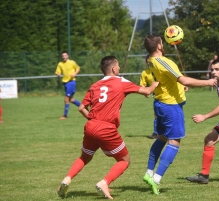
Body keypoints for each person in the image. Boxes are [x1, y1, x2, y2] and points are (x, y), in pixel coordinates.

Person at [57, 56, 159, 199]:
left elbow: (81, 108)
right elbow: (147, 92)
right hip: (107, 128)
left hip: (91, 125)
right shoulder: (121, 81)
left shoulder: (95, 85)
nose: (118, 68)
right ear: (113, 68)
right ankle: (104, 183)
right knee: (124, 160)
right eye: (117, 66)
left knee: (85, 157)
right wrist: (156, 83)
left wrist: (93, 120)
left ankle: (66, 179)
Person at [142, 35, 216, 195]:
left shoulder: (151, 63)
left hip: (160, 104)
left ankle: (149, 172)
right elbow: (184, 80)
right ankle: (156, 179)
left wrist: (180, 88)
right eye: (162, 42)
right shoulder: (164, 62)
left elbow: (166, 81)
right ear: (160, 46)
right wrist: (207, 82)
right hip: (171, 106)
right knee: (174, 142)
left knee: (161, 138)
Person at [55, 51, 81, 120]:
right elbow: (58, 71)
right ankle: (83, 107)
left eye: (65, 55)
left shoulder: (72, 62)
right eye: (63, 56)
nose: (64, 57)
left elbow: (78, 68)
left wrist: (75, 73)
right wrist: (58, 74)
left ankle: (65, 115)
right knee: (71, 99)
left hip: (71, 82)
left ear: (67, 56)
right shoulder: (60, 64)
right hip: (65, 83)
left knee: (66, 99)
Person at [140, 54, 158, 139]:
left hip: (168, 94)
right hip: (157, 95)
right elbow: (142, 85)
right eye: (147, 62)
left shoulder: (160, 70)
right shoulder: (145, 73)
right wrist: (145, 92)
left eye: (150, 62)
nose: (149, 63)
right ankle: (156, 132)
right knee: (157, 114)